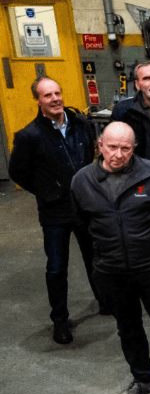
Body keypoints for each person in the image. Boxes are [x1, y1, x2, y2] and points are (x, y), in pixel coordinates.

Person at [70, 122, 150, 394]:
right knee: (128, 328)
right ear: (100, 144)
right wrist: (100, 259)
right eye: (112, 147)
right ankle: (144, 378)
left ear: (134, 147)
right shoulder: (82, 180)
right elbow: (80, 224)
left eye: (125, 148)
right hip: (111, 269)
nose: (118, 154)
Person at [9, 76, 100, 344]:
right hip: (54, 212)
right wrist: (47, 191)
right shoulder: (29, 136)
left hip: (84, 206)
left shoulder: (80, 124)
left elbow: (89, 158)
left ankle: (106, 301)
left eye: (57, 93)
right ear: (38, 101)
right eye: (47, 95)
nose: (55, 99)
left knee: (95, 257)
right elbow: (17, 172)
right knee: (57, 268)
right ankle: (60, 320)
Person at [110, 61, 150, 158]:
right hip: (140, 170)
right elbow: (113, 145)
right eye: (147, 78)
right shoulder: (123, 111)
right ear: (137, 85)